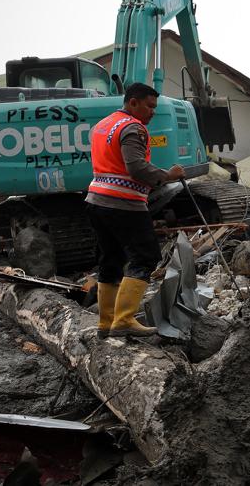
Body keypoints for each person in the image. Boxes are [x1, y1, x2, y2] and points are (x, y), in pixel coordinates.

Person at [86, 83, 184, 338]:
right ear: (133, 103)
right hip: (123, 203)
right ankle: (124, 319)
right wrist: (167, 175)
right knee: (145, 256)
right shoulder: (133, 128)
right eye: (149, 106)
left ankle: (106, 323)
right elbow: (136, 167)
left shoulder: (104, 125)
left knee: (111, 259)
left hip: (97, 200)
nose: (152, 112)